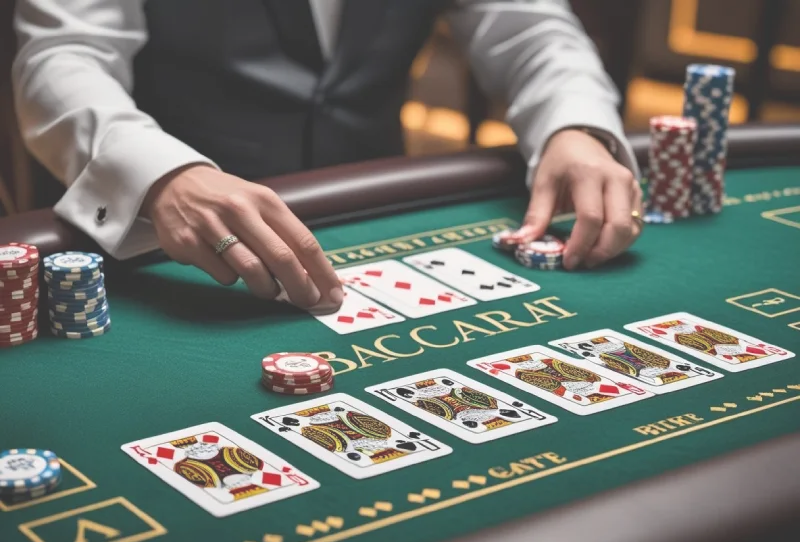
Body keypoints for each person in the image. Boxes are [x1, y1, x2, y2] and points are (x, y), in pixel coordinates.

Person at [11, 0, 643, 314]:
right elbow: (64, 55)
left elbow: (530, 24)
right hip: (164, 248)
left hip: (379, 201)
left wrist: (574, 125)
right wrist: (163, 174)